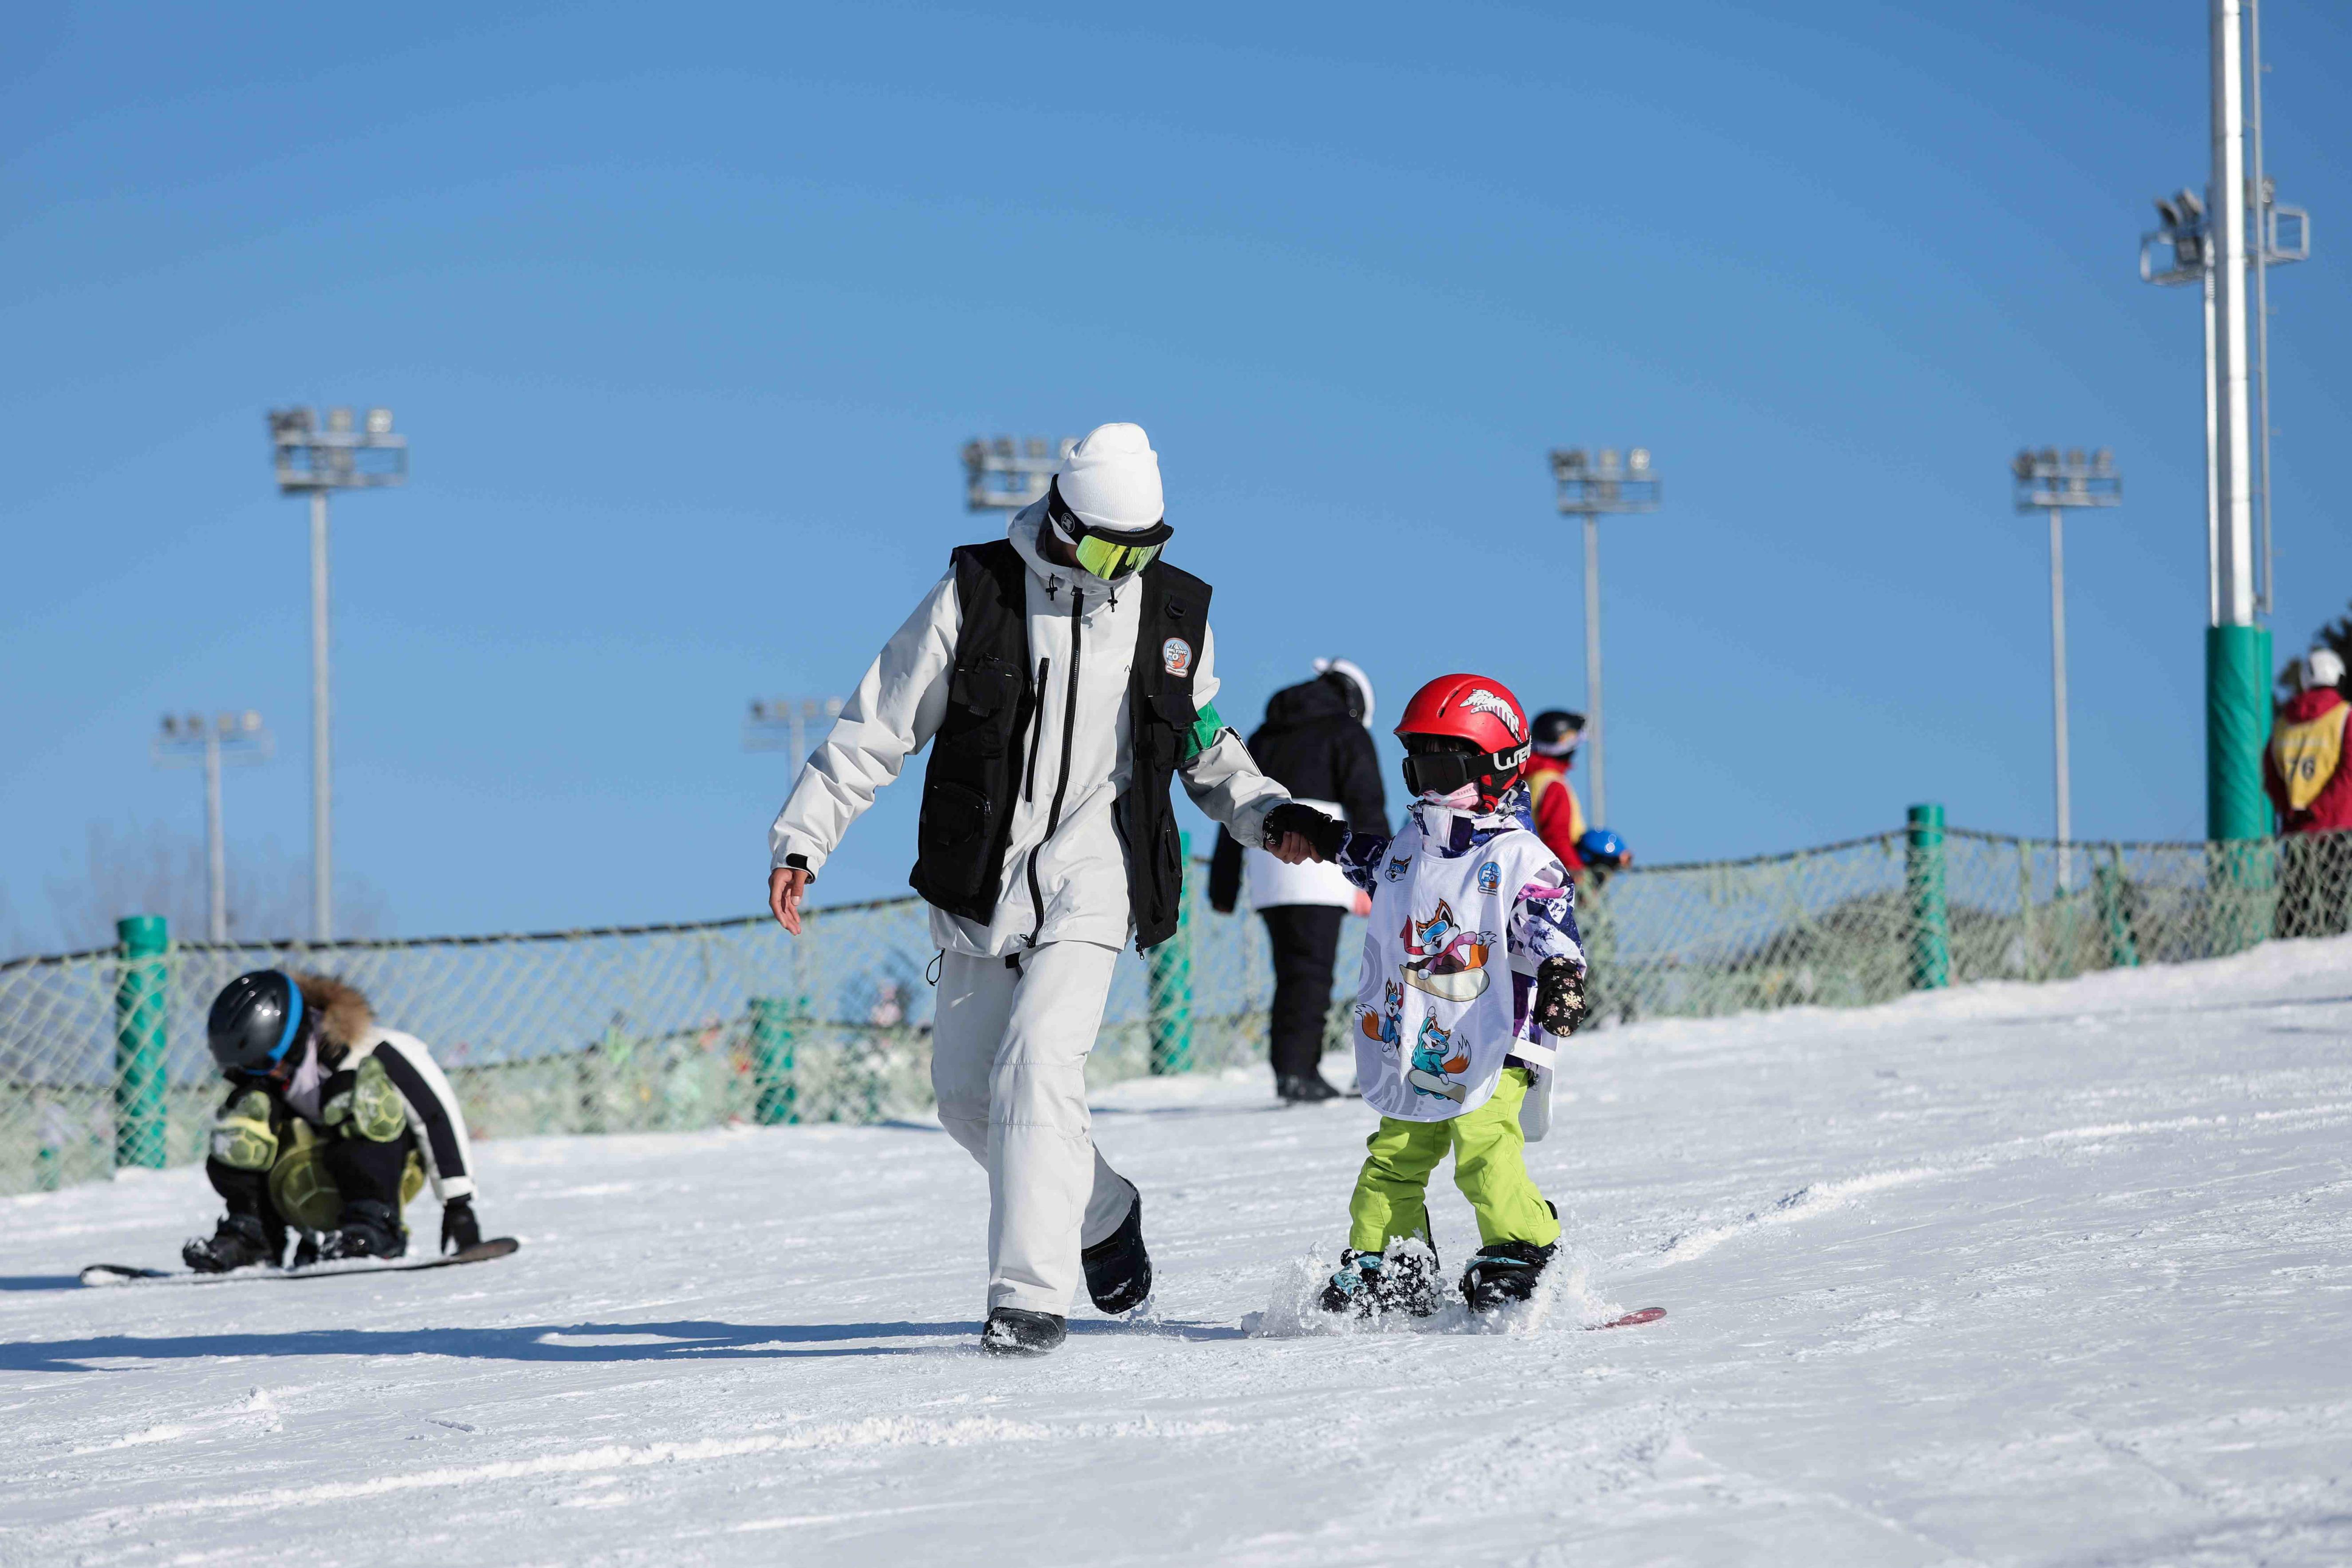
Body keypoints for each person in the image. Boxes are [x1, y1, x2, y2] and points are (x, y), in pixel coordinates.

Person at [765, 422, 1334, 1356]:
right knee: (964, 1099)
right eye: (1108, 548)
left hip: (1097, 870)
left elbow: (1202, 744)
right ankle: (1103, 1207)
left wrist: (1266, 812)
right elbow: (879, 720)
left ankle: (1027, 1295)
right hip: (980, 877)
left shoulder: (1168, 617)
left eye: (1142, 551)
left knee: (1038, 1063)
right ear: (1061, 523)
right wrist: (803, 839)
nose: (1122, 570)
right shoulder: (977, 592)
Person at [1309, 675, 1589, 1317]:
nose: (1431, 784)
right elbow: (1372, 861)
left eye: (1446, 764)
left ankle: (1523, 1250)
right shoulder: (1410, 847)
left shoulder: (1520, 856)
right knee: (1395, 1155)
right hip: (1420, 1038)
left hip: (1498, 1036)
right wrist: (1322, 836)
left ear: (1497, 765)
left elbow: (1550, 926)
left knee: (1484, 1147)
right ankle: (1390, 1261)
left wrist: (1561, 979)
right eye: (1418, 767)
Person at [183, 970, 483, 1272]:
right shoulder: (267, 1080)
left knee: (355, 1093)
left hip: (389, 1171)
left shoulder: (374, 1049)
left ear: (294, 1037)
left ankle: (373, 1227)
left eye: (264, 1064)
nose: (261, 1075)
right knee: (249, 1108)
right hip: (300, 1181)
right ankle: (253, 1236)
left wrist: (458, 1204)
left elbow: (435, 1116)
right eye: (243, 1069)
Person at [1208, 658, 1388, 1103]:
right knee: (1312, 974)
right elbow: (1366, 803)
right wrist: (1380, 876)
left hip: (1266, 861)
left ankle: (1293, 1068)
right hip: (1321, 860)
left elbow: (1236, 803)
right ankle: (1299, 1072)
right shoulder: (1347, 734)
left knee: (1291, 972)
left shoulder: (1265, 734)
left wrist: (1223, 885)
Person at [2265, 647, 2352, 937]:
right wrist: (2321, 808)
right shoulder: (2344, 718)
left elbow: (2271, 775)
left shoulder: (2281, 725)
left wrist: (2291, 809)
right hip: (2339, 830)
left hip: (2297, 831)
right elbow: (2348, 775)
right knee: (2336, 913)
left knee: (2293, 914)